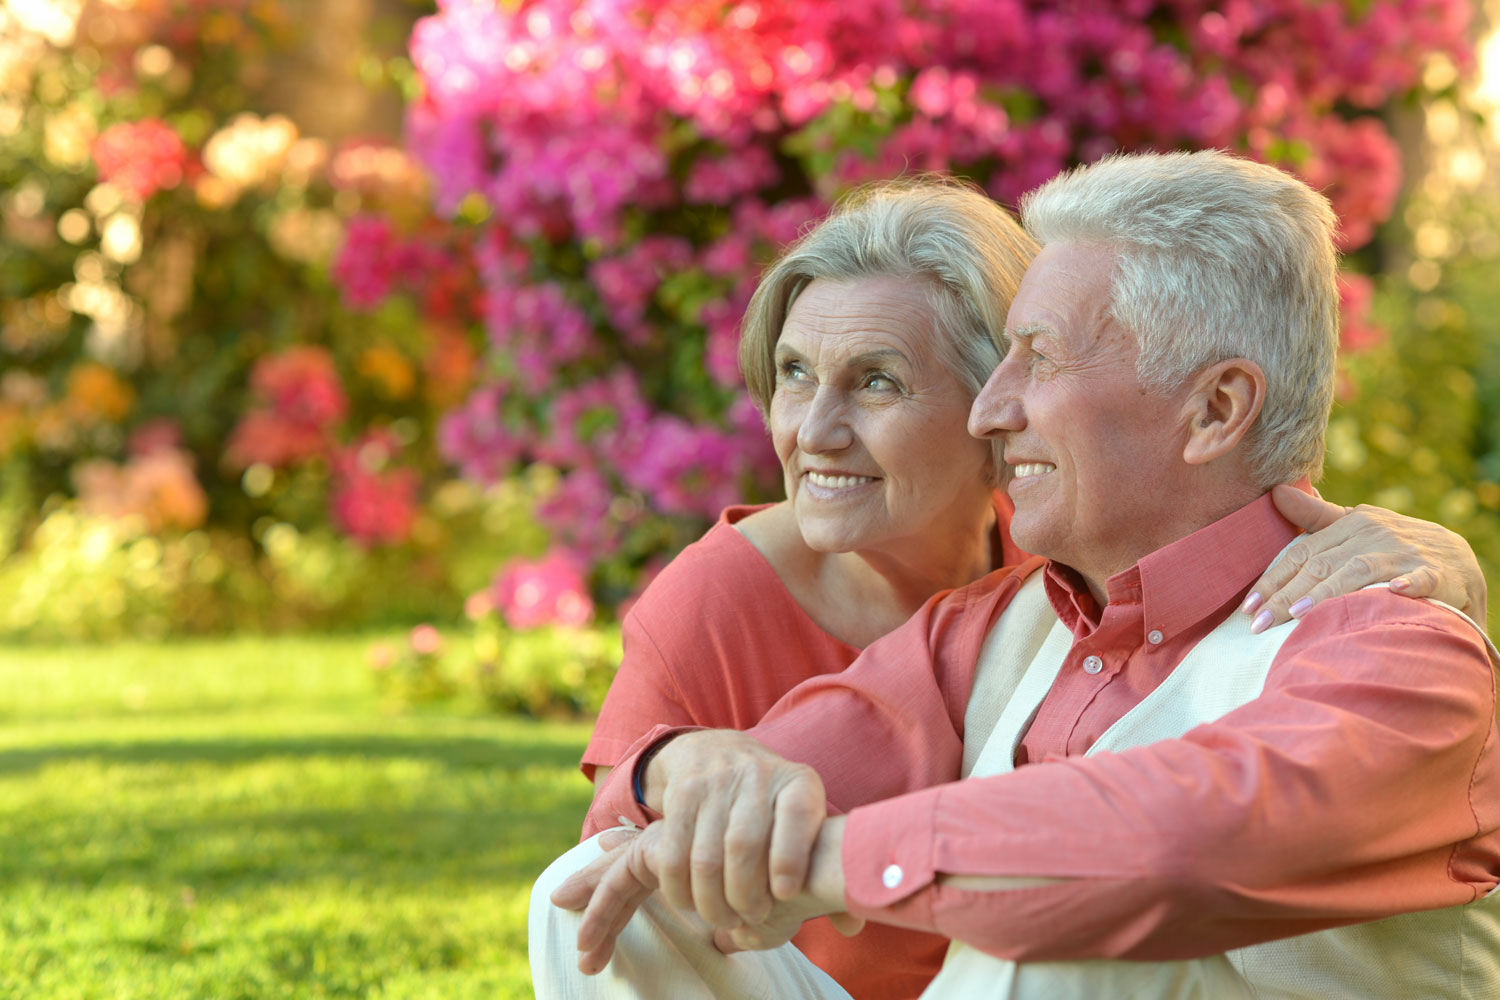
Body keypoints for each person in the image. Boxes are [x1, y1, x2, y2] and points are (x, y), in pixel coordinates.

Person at [540, 151, 1500, 998]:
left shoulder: (1393, 647)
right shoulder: (997, 624)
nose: (990, 411)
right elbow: (685, 803)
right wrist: (681, 766)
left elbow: (1176, 843)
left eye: (1036, 359)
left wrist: (833, 861)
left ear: (1214, 409)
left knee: (1078, 919)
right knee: (599, 889)